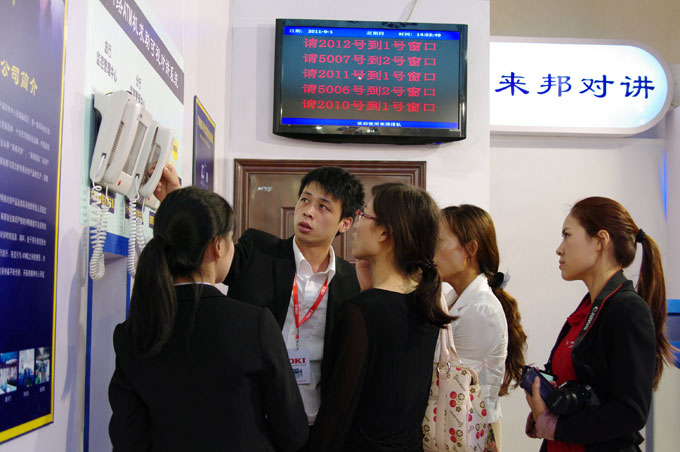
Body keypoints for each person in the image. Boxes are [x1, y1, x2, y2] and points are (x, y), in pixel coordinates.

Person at [108, 187, 308, 452]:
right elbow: (292, 431)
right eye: (232, 239)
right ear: (218, 246)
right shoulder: (254, 324)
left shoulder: (132, 332)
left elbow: (127, 437)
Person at [311, 183, 453, 452]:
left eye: (364, 215)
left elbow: (337, 412)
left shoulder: (360, 312)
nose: (356, 225)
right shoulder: (426, 304)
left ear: (385, 233)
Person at [524, 196, 673, 452]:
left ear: (600, 241)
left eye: (567, 235)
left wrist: (556, 426)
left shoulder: (628, 309)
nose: (559, 249)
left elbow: (630, 412)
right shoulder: (586, 309)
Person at [223, 166, 365, 427]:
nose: (308, 211)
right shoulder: (257, 251)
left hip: (313, 422)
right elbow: (208, 257)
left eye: (323, 207)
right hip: (250, 419)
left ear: (345, 223)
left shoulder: (352, 282)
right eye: (305, 200)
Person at [434, 204, 527, 450]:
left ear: (470, 249)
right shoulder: (455, 299)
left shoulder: (481, 310)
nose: (431, 249)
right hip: (454, 431)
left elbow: (449, 382)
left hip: (466, 434)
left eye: (438, 241)